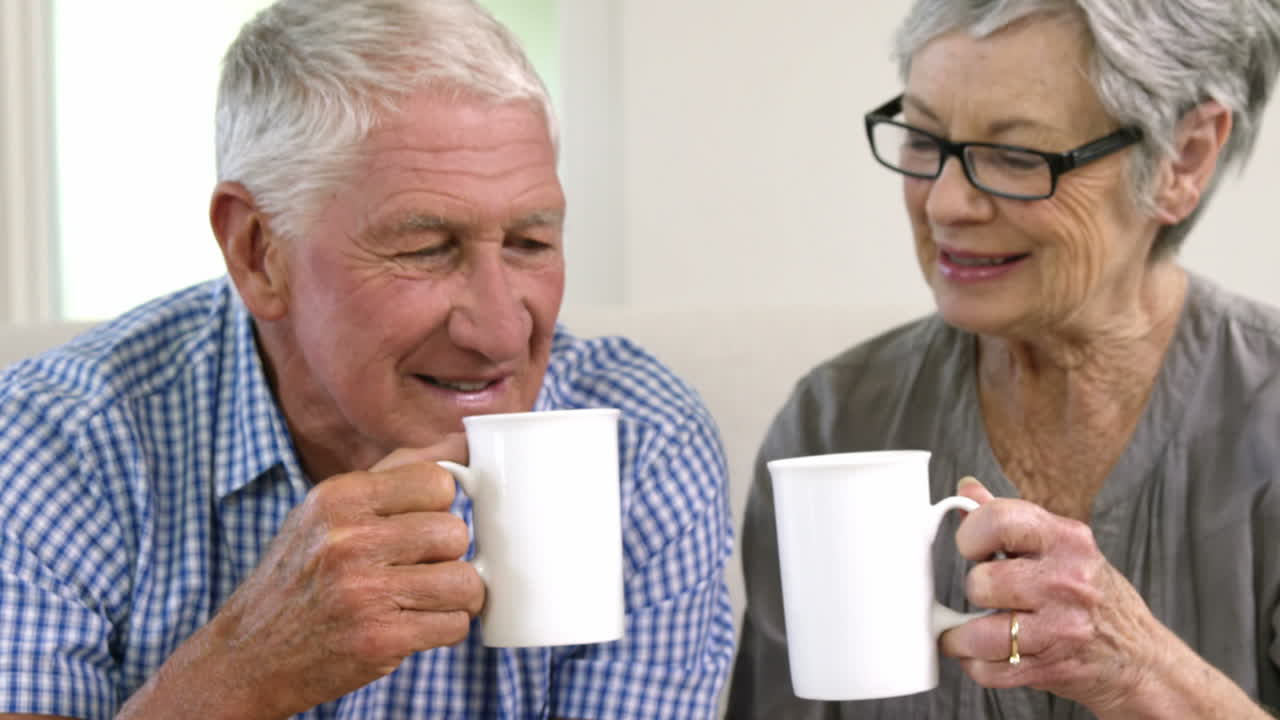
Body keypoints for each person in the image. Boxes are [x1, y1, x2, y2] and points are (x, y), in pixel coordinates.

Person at [0, 1, 736, 718]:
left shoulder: (639, 444)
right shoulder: (57, 442)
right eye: (426, 249)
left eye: (530, 243)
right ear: (258, 252)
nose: (500, 333)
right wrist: (244, 674)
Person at [728, 0, 1280, 718]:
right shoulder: (832, 424)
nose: (945, 204)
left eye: (1017, 157)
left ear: (1185, 158)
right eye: (923, 139)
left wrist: (1140, 672)